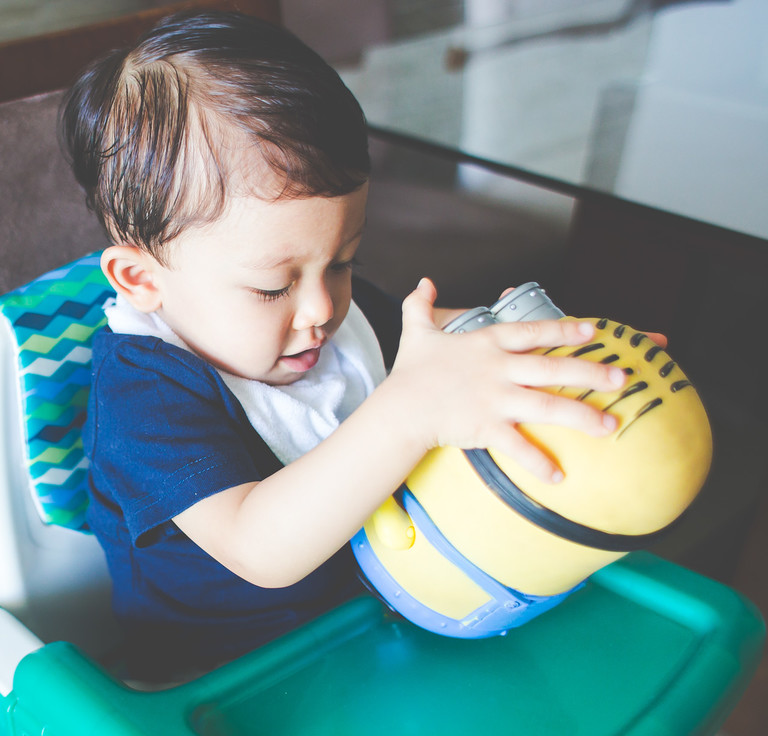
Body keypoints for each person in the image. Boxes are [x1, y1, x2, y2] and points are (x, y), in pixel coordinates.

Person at [60, 10, 627, 679]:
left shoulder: (328, 314)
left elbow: (443, 335)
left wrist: (544, 344)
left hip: (383, 625)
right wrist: (410, 410)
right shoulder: (144, 395)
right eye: (273, 287)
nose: (324, 308)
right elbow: (260, 544)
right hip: (228, 685)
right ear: (142, 279)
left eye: (342, 261)